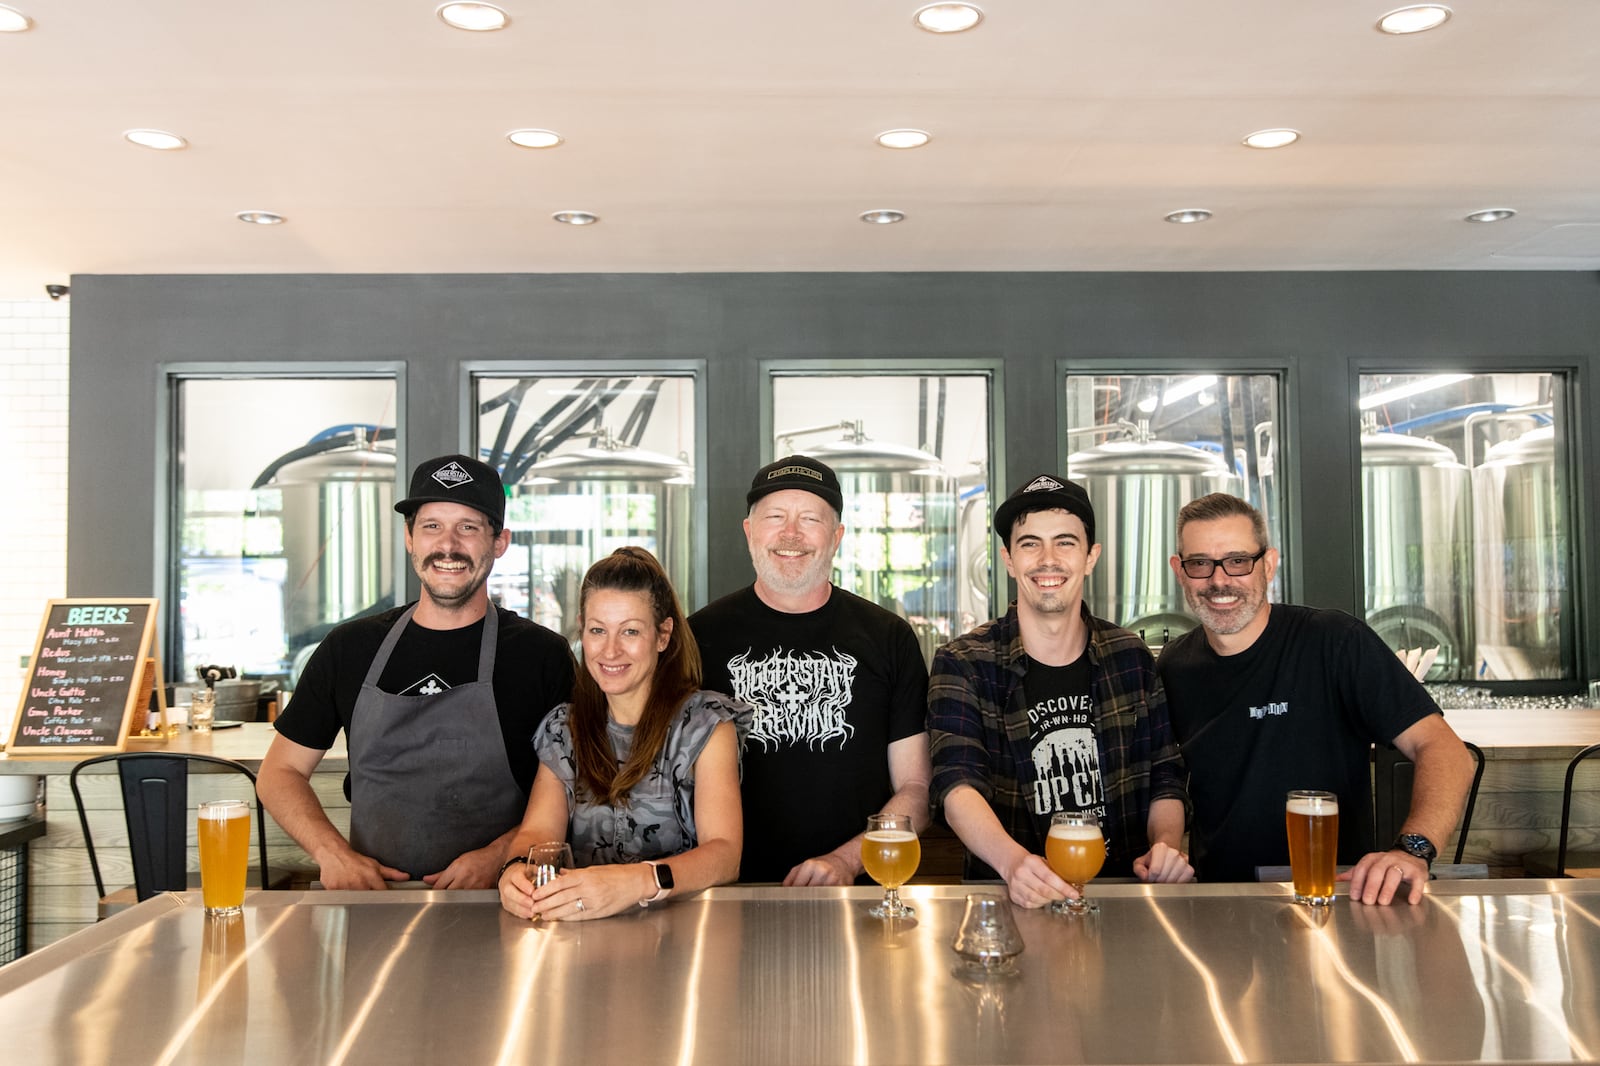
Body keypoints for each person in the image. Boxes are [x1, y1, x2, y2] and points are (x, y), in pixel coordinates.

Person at [259, 454, 575, 889]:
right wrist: (332, 854)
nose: (448, 545)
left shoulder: (542, 655)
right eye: (431, 526)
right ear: (409, 537)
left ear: (499, 542)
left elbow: (578, 785)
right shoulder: (350, 648)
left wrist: (502, 854)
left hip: (505, 900)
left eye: (467, 527)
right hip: (374, 907)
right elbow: (279, 773)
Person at [1156, 492, 1477, 905]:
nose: (1220, 580)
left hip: (1336, 898)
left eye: (1238, 561)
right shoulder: (1173, 665)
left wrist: (1413, 850)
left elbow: (1445, 750)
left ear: (1268, 565)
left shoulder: (1334, 641)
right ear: (1179, 571)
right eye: (1200, 563)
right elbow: (1165, 782)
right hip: (1220, 903)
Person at [929, 473, 1193, 908]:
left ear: (1091, 557)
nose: (1047, 559)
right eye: (1030, 543)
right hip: (1010, 900)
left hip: (1121, 901)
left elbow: (1165, 773)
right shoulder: (964, 662)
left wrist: (1163, 846)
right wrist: (1013, 863)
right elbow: (957, 785)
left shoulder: (1130, 656)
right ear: (1009, 560)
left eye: (1066, 543)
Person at [688, 455, 933, 885]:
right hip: (726, 897)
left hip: (859, 898)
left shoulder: (889, 637)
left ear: (836, 537)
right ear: (749, 532)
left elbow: (916, 789)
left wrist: (845, 861)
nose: (790, 534)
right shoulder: (698, 638)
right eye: (775, 517)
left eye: (810, 519)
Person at [497, 547, 749, 920]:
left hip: (687, 937)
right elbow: (536, 833)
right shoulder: (564, 728)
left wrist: (635, 883)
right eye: (598, 630)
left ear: (663, 635)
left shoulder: (706, 723)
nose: (610, 650)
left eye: (630, 631)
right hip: (582, 931)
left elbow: (725, 855)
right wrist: (515, 871)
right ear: (582, 628)